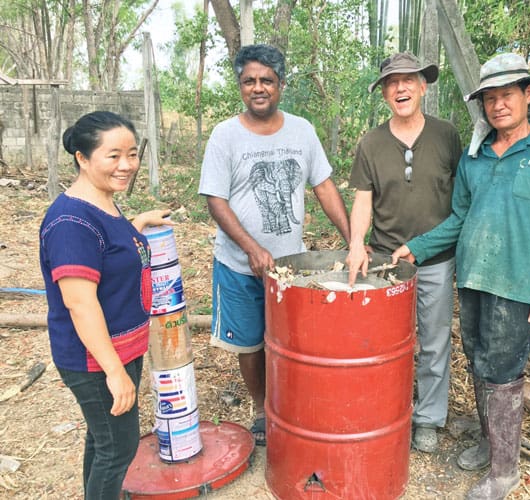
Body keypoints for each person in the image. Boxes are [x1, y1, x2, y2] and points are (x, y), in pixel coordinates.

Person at [392, 52, 530, 499]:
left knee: (504, 371)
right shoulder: (474, 158)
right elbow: (458, 219)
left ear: (529, 95)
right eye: (489, 99)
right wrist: (415, 248)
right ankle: (489, 440)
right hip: (473, 277)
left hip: (516, 284)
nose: (498, 106)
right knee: (478, 361)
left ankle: (505, 471)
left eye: (507, 95)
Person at [198, 44, 351, 446]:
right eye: (249, 81)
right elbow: (216, 199)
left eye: (266, 80)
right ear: (240, 87)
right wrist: (250, 246)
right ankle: (262, 408)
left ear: (281, 84)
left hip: (291, 267)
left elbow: (324, 186)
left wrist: (354, 239)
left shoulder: (301, 130)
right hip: (237, 264)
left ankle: (292, 402)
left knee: (291, 341)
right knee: (250, 342)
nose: (258, 88)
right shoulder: (225, 136)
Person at [39, 111, 171, 499]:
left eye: (131, 154)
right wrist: (114, 372)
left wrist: (138, 223)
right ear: (82, 157)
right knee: (118, 449)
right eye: (113, 156)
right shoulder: (70, 223)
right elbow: (80, 305)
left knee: (103, 441)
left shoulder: (102, 205)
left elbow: (107, 250)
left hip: (119, 348)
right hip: (96, 358)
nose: (126, 165)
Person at [346, 52, 462, 453]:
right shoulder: (372, 143)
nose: (400, 88)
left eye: (408, 80)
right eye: (391, 83)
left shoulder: (447, 135)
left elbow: (461, 199)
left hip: (436, 262)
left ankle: (428, 418)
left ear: (423, 86)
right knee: (382, 344)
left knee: (433, 342)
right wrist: (357, 244)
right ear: (383, 93)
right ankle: (383, 413)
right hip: (385, 261)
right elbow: (364, 199)